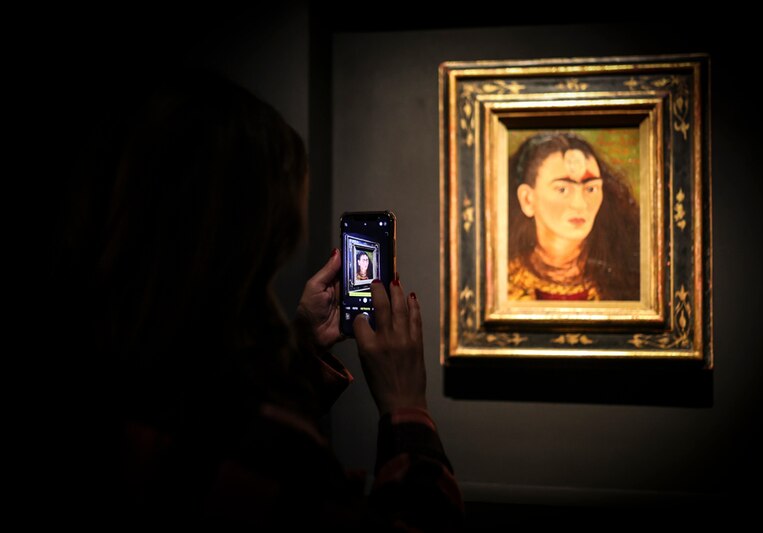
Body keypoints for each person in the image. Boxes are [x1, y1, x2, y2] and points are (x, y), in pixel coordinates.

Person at [47, 69, 463, 529]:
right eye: (273, 252)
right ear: (244, 241)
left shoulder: (103, 381)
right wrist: (407, 407)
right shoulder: (254, 445)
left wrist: (301, 351)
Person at [508, 132, 640, 301]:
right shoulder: (504, 283)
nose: (580, 204)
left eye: (590, 189)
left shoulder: (626, 279)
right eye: (562, 189)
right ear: (527, 199)